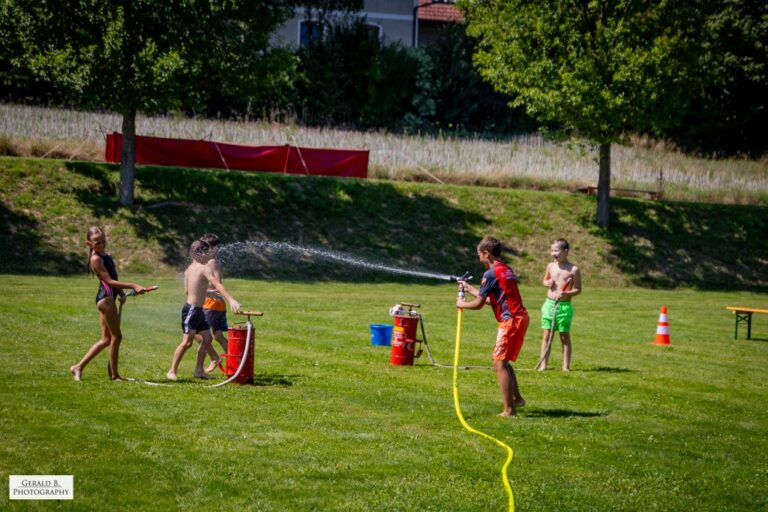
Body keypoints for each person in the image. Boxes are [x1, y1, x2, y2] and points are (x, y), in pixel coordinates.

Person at [456, 236, 529, 417]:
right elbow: (493, 299)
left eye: (479, 254)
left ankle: (509, 410)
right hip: (519, 317)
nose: (479, 258)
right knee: (503, 361)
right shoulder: (505, 269)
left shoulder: (490, 273)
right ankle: (517, 399)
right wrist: (470, 289)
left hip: (511, 321)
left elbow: (478, 304)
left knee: (499, 363)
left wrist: (461, 303)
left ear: (486, 253)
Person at [70, 226, 148, 381]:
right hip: (105, 299)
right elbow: (109, 281)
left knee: (106, 339)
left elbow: (114, 276)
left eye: (103, 240)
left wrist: (121, 293)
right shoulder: (95, 259)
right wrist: (134, 285)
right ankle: (115, 375)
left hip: (110, 298)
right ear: (89, 243)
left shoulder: (107, 256)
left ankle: (78, 367)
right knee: (116, 337)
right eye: (96, 242)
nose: (101, 244)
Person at [168, 239, 241, 381]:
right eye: (208, 252)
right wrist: (231, 300)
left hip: (198, 310)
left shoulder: (189, 269)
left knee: (207, 339)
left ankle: (199, 371)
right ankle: (172, 371)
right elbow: (218, 285)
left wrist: (206, 292)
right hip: (192, 310)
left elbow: (187, 290)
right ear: (202, 253)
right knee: (187, 343)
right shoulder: (204, 268)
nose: (210, 255)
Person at [537, 238, 581, 372]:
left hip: (564, 307)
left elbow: (578, 289)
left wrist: (568, 293)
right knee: (547, 336)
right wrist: (547, 283)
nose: (553, 253)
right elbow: (545, 280)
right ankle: (543, 365)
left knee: (564, 336)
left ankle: (565, 366)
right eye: (552, 250)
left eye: (556, 250)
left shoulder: (573, 269)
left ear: (566, 252)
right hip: (549, 305)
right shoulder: (550, 266)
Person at [196, 233, 228, 373]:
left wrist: (203, 289)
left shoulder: (212, 262)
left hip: (211, 303)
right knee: (218, 336)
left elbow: (217, 283)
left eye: (205, 247)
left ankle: (214, 358)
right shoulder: (213, 261)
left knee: (200, 335)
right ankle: (237, 361)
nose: (202, 250)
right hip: (217, 303)